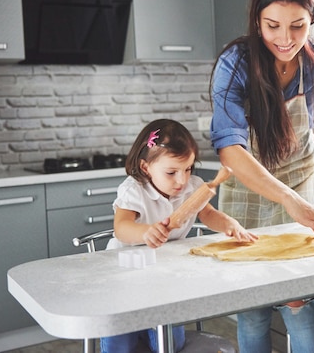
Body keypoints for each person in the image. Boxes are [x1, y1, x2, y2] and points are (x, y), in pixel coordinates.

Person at [209, 0, 314, 353]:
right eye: (273, 26)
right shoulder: (235, 64)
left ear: (311, 21)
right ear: (257, 20)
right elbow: (230, 148)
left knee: (299, 303)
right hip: (248, 189)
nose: (285, 39)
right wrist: (289, 199)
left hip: (303, 187)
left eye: (298, 26)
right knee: (253, 310)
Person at [101, 118, 256, 353]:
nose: (181, 180)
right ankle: (135, 330)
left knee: (172, 342)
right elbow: (121, 227)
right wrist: (146, 232)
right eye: (172, 172)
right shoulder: (134, 190)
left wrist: (228, 223)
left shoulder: (193, 187)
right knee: (121, 344)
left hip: (166, 276)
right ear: (146, 168)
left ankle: (149, 330)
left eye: (188, 169)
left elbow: (207, 213)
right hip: (126, 275)